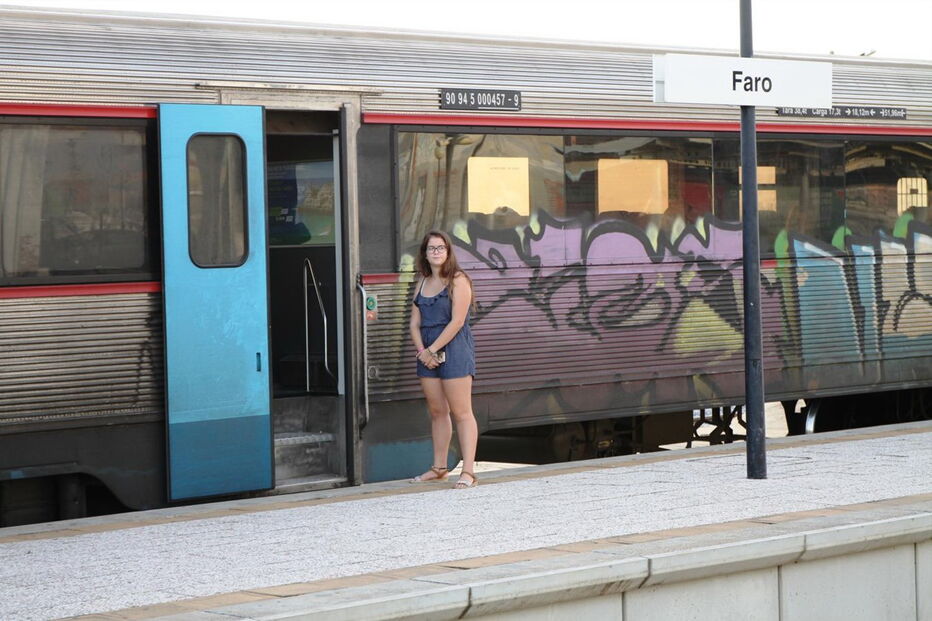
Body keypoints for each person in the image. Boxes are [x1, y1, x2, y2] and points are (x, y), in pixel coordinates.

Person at [409, 229, 479, 488]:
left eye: (440, 248)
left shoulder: (459, 280)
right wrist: (422, 352)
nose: (436, 252)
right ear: (424, 254)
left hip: (454, 350)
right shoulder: (422, 281)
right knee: (438, 411)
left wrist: (432, 351)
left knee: (461, 412)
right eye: (431, 248)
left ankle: (468, 471)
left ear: (448, 252)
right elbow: (414, 324)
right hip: (426, 353)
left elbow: (457, 321)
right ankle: (439, 468)